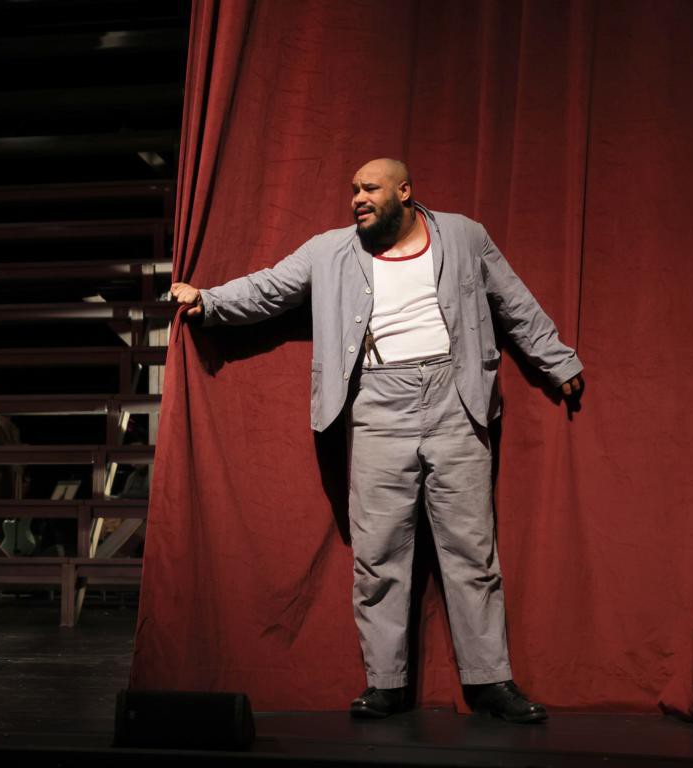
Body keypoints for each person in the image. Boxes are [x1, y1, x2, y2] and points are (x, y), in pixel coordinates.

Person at [170, 158, 583, 724]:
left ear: (405, 191)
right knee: (379, 551)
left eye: (369, 189)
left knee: (471, 552)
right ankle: (386, 684)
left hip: (455, 397)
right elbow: (269, 288)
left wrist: (556, 360)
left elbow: (514, 302)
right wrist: (209, 300)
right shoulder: (330, 250)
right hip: (376, 404)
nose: (357, 198)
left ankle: (490, 681)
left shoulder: (463, 235)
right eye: (353, 190)